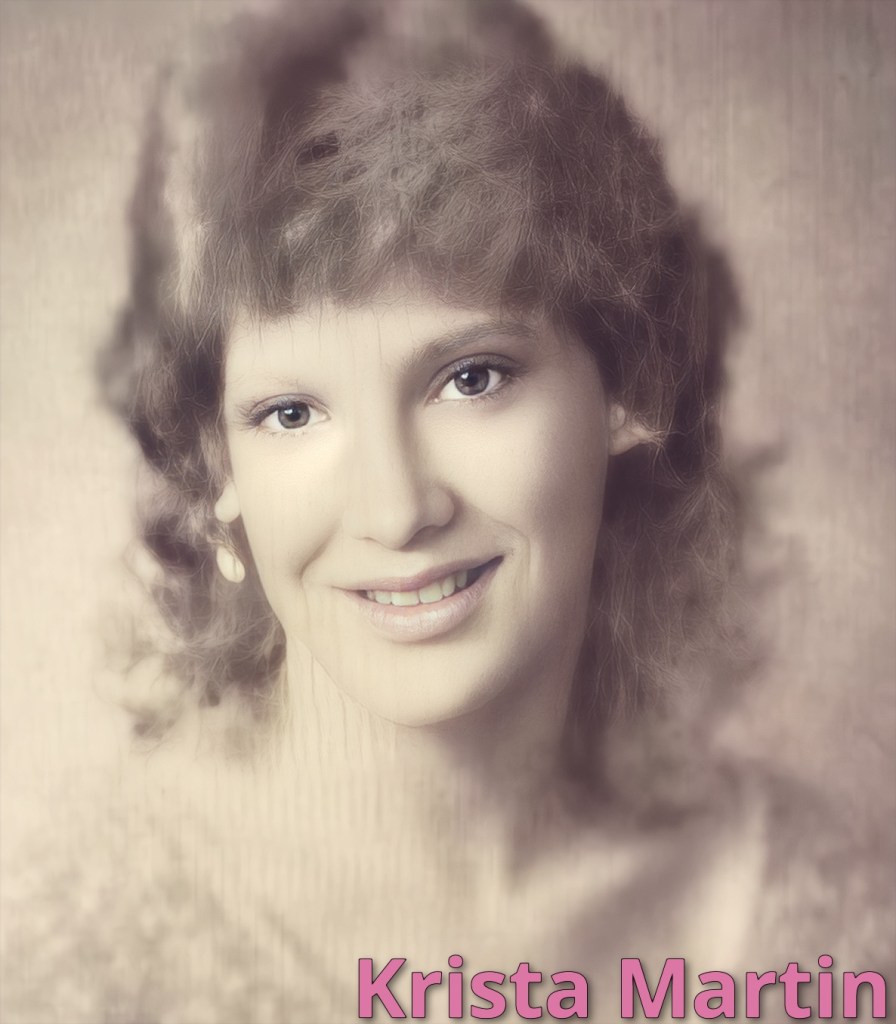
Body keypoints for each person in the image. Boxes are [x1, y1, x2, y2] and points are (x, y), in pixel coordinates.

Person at [2, 1, 892, 1022]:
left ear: (628, 384)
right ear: (216, 471)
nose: (396, 510)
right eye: (291, 413)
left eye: (471, 378)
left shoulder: (831, 927)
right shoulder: (60, 964)